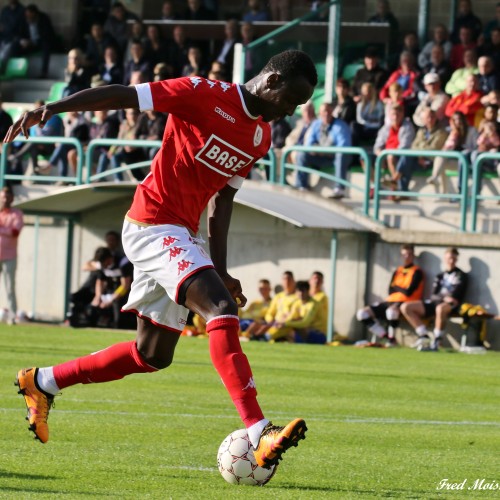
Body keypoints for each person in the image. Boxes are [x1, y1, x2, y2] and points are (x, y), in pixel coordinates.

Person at [5, 49, 316, 468]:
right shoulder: (201, 92)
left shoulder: (260, 137)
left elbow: (222, 202)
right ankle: (259, 430)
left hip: (183, 235)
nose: (290, 111)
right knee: (219, 310)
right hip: (152, 222)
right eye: (290, 101)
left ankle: (43, 382)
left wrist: (220, 268)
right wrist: (53, 108)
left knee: (151, 355)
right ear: (273, 80)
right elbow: (124, 95)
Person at [401, 247, 467, 351]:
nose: (451, 261)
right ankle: (423, 335)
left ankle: (436, 340)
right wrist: (444, 297)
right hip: (436, 302)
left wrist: (446, 299)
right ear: (445, 259)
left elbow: (456, 296)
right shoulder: (440, 276)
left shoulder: (461, 275)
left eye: (454, 258)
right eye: (449, 258)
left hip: (450, 306)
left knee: (440, 308)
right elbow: (434, 294)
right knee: (406, 307)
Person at [356, 244, 423, 344]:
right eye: (404, 255)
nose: (407, 257)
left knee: (391, 312)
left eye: (409, 254)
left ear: (413, 256)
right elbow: (390, 290)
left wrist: (396, 287)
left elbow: (409, 292)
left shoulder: (417, 271)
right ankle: (386, 336)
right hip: (390, 300)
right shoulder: (397, 271)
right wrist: (400, 288)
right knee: (362, 313)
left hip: (406, 302)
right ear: (401, 256)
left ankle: (392, 340)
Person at [295, 102, 352, 198]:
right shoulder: (316, 124)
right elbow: (309, 144)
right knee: (302, 154)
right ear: (320, 113)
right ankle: (301, 186)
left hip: (336, 158)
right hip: (322, 157)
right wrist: (317, 150)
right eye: (323, 111)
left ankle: (339, 189)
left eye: (328, 111)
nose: (326, 114)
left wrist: (325, 151)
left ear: (332, 112)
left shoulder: (340, 126)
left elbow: (344, 147)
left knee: (340, 155)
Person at [391, 108, 447, 198]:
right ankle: (402, 191)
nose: (430, 119)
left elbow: (433, 149)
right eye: (427, 117)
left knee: (406, 159)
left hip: (430, 162)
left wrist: (419, 155)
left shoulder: (441, 132)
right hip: (418, 159)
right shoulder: (421, 131)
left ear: (436, 118)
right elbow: (414, 146)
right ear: (423, 120)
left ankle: (396, 179)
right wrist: (418, 156)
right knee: (405, 158)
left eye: (432, 117)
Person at [426, 111, 477, 193]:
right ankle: (435, 178)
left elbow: (475, 147)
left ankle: (460, 191)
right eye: (455, 120)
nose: (458, 122)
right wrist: (453, 136)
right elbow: (445, 149)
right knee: (440, 157)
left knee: (463, 157)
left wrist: (465, 149)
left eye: (459, 119)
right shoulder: (449, 131)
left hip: (466, 162)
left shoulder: (472, 130)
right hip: (454, 161)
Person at [373, 103, 415, 199]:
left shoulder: (407, 127)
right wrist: (381, 154)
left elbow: (405, 146)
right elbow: (377, 146)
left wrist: (389, 154)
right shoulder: (386, 128)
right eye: (393, 114)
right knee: (364, 158)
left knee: (393, 157)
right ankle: (376, 185)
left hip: (401, 155)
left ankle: (394, 182)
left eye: (398, 114)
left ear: (402, 115)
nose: (395, 117)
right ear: (389, 115)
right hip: (386, 155)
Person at [0, 186, 23, 325]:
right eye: (3, 196)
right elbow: (10, 231)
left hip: (9, 255)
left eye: (7, 197)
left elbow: (15, 232)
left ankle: (13, 317)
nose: (5, 199)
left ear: (12, 198)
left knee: (10, 287)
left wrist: (2, 229)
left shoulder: (17, 214)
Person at [16, 4, 55, 79]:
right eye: (26, 15)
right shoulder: (24, 20)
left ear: (34, 13)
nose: (28, 17)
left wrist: (34, 41)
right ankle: (17, 71)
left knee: (46, 46)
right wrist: (23, 41)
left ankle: (44, 72)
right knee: (15, 45)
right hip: (29, 44)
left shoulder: (44, 19)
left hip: (41, 43)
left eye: (29, 15)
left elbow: (48, 35)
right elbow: (19, 34)